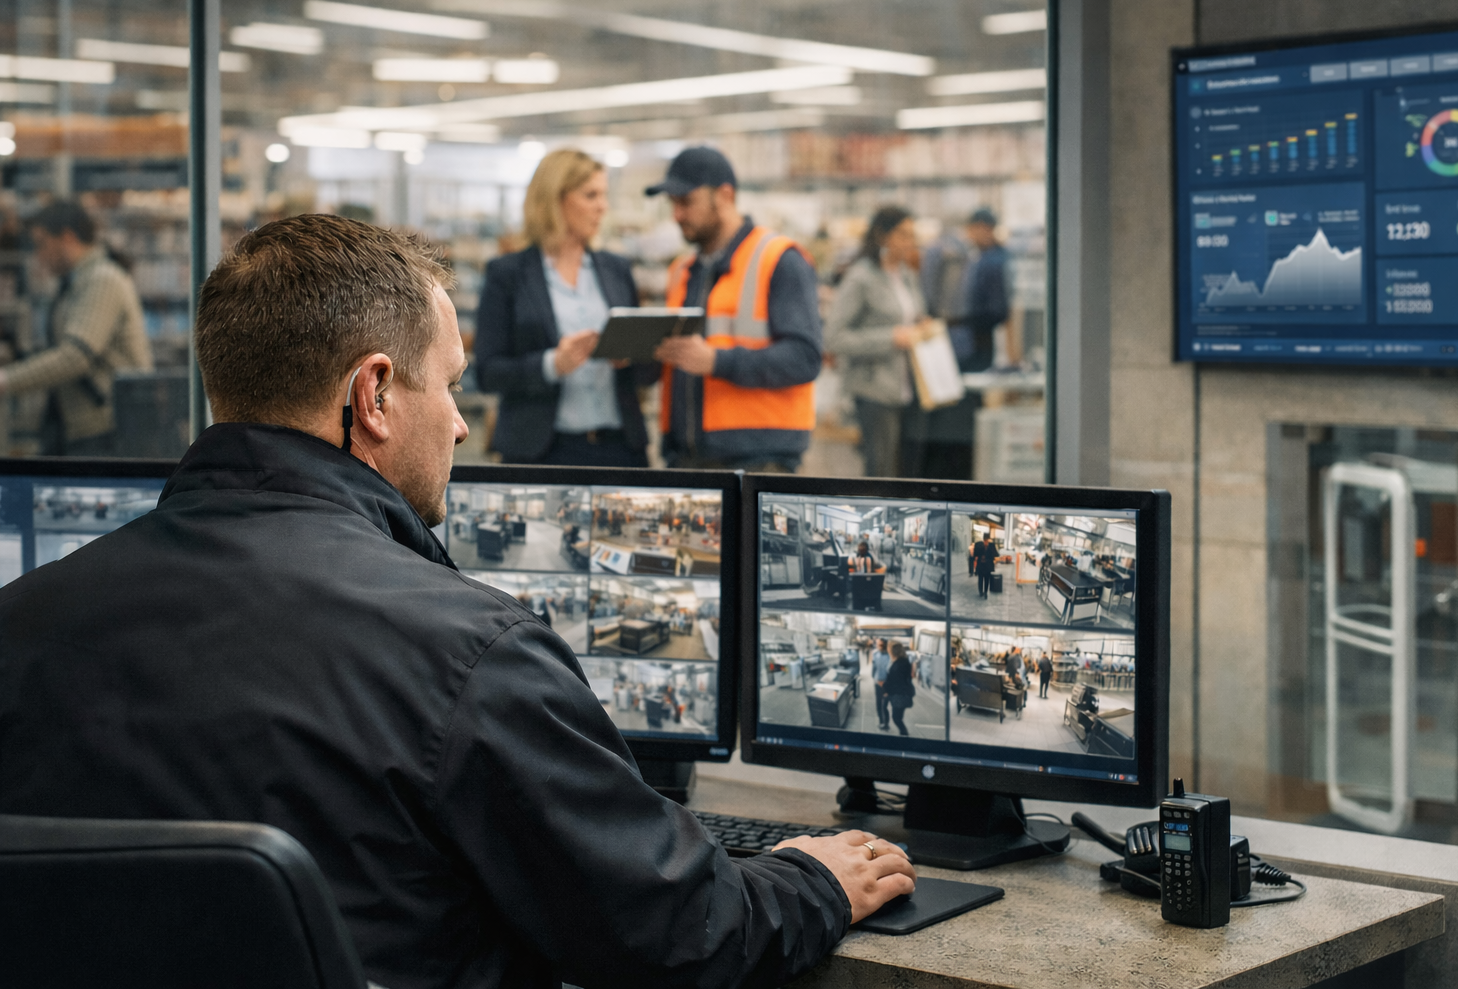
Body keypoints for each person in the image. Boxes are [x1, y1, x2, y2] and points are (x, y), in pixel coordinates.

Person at [0, 214, 914, 989]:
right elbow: (676, 935)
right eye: (451, 384)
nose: (464, 423)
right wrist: (810, 881)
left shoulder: (24, 620)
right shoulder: (465, 652)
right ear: (375, 395)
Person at [476, 148, 655, 466]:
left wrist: (630, 354)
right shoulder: (508, 274)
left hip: (619, 449)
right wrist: (552, 364)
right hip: (541, 451)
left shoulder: (616, 270)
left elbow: (646, 373)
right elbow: (488, 373)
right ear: (555, 200)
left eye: (604, 195)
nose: (603, 207)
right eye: (591, 195)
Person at [648, 147, 822, 472]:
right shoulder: (683, 270)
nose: (676, 215)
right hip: (687, 459)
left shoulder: (779, 260)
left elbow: (805, 358)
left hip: (757, 461)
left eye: (686, 202)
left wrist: (717, 361)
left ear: (724, 196)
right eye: (672, 204)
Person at [0, 200, 152, 455]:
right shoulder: (76, 282)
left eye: (42, 243)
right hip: (82, 425)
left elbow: (76, 355)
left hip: (105, 429)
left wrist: (6, 380)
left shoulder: (102, 279)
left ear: (67, 238)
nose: (38, 255)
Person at [824, 206, 936, 478]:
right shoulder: (861, 277)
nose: (909, 241)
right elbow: (834, 337)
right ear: (882, 236)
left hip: (911, 387)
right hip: (875, 390)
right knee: (881, 471)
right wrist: (890, 338)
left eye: (912, 235)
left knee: (908, 470)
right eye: (902, 234)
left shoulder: (906, 275)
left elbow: (908, 316)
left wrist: (921, 325)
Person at [951, 207, 1011, 373]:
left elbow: (998, 308)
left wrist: (967, 320)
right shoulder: (980, 256)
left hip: (981, 335)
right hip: (975, 335)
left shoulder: (993, 260)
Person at [885, 642, 916, 737]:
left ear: (894, 652)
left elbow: (894, 681)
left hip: (898, 694)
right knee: (898, 717)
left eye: (890, 651)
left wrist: (887, 690)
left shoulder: (897, 665)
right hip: (903, 693)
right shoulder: (905, 662)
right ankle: (903, 733)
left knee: (896, 718)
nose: (889, 652)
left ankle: (904, 734)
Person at [871, 638, 892, 731]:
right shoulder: (875, 654)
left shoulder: (890, 656)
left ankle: (886, 724)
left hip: (887, 684)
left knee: (884, 706)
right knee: (878, 704)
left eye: (880, 644)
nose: (878, 646)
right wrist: (874, 678)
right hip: (877, 683)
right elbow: (874, 667)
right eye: (877, 644)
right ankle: (881, 722)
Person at [974, 530, 1001, 599]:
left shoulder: (991, 545)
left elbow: (996, 554)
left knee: (986, 580)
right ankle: (981, 592)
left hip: (987, 566)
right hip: (981, 565)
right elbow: (975, 554)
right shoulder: (979, 545)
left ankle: (985, 592)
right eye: (986, 539)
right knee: (981, 580)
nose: (986, 541)